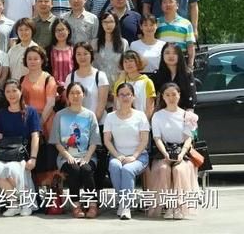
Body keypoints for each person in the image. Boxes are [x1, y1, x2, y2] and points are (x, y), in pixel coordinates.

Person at [49, 81, 102, 218]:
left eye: (78, 93)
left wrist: (87, 158)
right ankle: (76, 205)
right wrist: (68, 156)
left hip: (87, 155)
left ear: (84, 95)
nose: (75, 96)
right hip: (65, 157)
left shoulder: (90, 115)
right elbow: (56, 141)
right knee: (74, 170)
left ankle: (92, 204)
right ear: (67, 96)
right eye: (72, 93)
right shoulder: (60, 115)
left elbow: (94, 141)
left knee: (86, 170)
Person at [147, 83, 199, 220]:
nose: (171, 98)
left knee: (179, 171)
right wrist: (165, 153)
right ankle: (168, 206)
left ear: (179, 95)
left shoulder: (187, 115)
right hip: (163, 151)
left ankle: (178, 207)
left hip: (183, 151)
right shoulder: (157, 116)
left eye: (174, 94)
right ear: (163, 97)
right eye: (167, 95)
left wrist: (181, 154)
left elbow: (189, 138)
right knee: (163, 169)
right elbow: (157, 138)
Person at [0, 79, 40, 217]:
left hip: (22, 153)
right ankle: (14, 204)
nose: (11, 94)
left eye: (14, 90)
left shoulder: (30, 111)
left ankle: (26, 203)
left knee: (13, 169)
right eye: (8, 91)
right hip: (5, 153)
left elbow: (35, 135)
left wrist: (33, 158)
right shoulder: (2, 113)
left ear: (20, 91)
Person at [103, 82, 150, 220]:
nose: (125, 97)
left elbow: (144, 140)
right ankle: (124, 202)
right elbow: (107, 140)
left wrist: (134, 156)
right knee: (114, 166)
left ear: (133, 97)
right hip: (117, 155)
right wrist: (117, 155)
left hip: (139, 156)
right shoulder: (110, 117)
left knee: (127, 169)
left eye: (128, 94)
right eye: (122, 95)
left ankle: (125, 206)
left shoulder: (140, 116)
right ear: (117, 97)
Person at [66, 42, 110, 132]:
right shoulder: (70, 77)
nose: (82, 57)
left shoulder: (100, 76)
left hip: (98, 125)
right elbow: (69, 103)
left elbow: (102, 104)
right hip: (77, 126)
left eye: (85, 54)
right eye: (78, 54)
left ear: (91, 55)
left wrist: (91, 125)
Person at [155, 0, 197, 68]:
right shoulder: (156, 23)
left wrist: (190, 65)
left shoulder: (186, 23)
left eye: (170, 2)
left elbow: (190, 46)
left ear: (177, 5)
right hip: (161, 64)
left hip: (181, 64)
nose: (167, 4)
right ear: (161, 6)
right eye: (164, 2)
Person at [113, 50, 157, 119]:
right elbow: (116, 106)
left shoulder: (147, 82)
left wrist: (143, 123)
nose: (128, 64)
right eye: (125, 62)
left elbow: (150, 108)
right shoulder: (119, 83)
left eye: (131, 61)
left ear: (138, 62)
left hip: (141, 122)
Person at [154, 43, 198, 111]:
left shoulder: (187, 74)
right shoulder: (157, 75)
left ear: (180, 56)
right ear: (162, 55)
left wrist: (187, 116)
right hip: (161, 114)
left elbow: (191, 103)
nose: (171, 56)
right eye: (167, 53)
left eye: (175, 53)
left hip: (183, 113)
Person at [94, 12, 129, 85]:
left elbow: (127, 64)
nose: (108, 25)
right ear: (101, 24)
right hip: (99, 83)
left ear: (116, 23)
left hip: (118, 83)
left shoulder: (123, 43)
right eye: (105, 22)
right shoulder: (94, 43)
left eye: (111, 22)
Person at [46, 18, 74, 87]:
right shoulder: (48, 50)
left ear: (68, 31)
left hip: (71, 87)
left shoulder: (74, 49)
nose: (60, 32)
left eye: (63, 29)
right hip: (53, 87)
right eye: (57, 30)